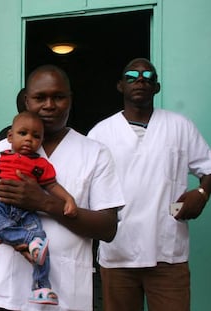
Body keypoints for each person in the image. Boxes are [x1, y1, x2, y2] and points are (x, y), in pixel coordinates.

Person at [0, 64, 125, 311]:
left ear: (70, 100)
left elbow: (108, 228)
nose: (49, 105)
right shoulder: (2, 150)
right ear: (26, 101)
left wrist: (44, 203)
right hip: (4, 293)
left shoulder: (95, 153)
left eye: (58, 97)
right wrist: (18, 241)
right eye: (40, 97)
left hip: (66, 296)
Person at [87, 57, 211, 311]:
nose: (140, 80)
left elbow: (208, 169)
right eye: (131, 76)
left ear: (157, 87)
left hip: (168, 253)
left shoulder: (180, 126)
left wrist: (202, 192)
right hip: (118, 252)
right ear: (121, 85)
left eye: (148, 76)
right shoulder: (100, 133)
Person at [0, 111, 78, 306]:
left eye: (36, 136)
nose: (29, 139)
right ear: (10, 136)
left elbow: (52, 186)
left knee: (41, 238)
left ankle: (41, 287)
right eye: (23, 133)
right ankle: (28, 241)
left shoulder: (40, 164)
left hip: (26, 211)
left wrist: (68, 199)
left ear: (42, 140)